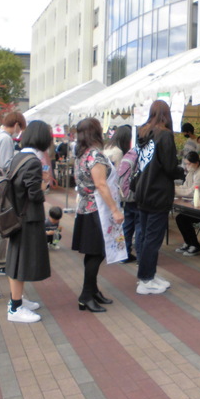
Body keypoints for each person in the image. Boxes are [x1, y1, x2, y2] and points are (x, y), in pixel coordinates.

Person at [72, 117, 124, 312]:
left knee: (93, 252)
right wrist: (115, 210)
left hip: (85, 208)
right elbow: (101, 184)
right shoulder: (95, 155)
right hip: (97, 211)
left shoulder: (81, 154)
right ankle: (86, 295)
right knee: (97, 252)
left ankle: (92, 291)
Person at [134, 101, 185, 295]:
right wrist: (182, 172)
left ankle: (147, 275)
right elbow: (170, 167)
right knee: (153, 239)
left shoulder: (142, 134)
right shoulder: (165, 136)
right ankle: (146, 280)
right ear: (167, 115)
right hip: (158, 193)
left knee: (147, 236)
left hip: (142, 191)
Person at [6, 120, 53, 323]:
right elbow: (34, 194)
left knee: (16, 261)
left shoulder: (19, 156)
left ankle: (17, 301)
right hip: (28, 218)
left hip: (17, 216)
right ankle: (15, 307)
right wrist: (44, 184)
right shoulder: (33, 161)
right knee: (21, 262)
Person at [0, 112, 27, 277]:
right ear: (17, 124)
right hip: (2, 184)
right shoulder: (5, 139)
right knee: (3, 223)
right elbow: (5, 164)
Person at [174, 151, 200, 257]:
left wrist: (174, 190)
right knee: (180, 218)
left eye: (189, 164)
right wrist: (176, 189)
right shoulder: (191, 173)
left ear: (196, 163)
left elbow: (193, 192)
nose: (187, 166)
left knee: (183, 219)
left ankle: (194, 244)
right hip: (194, 205)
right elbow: (184, 187)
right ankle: (189, 242)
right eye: (186, 164)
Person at [117, 145, 139, 263]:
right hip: (137, 196)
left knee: (127, 226)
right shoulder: (144, 155)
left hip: (126, 195)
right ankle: (141, 257)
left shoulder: (129, 154)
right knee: (140, 227)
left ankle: (124, 254)